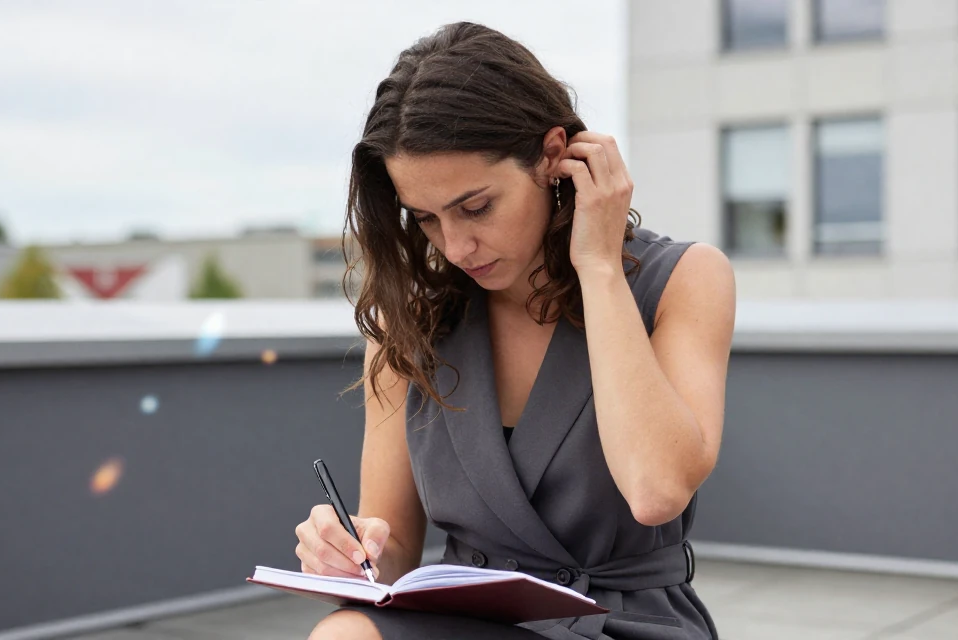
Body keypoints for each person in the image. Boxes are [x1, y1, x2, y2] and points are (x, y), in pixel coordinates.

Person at [295, 21, 735, 640]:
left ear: (553, 155)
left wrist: (599, 268)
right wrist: (347, 554)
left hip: (622, 621)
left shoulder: (684, 278)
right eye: (426, 219)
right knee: (343, 632)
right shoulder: (411, 320)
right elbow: (391, 554)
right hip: (469, 617)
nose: (455, 246)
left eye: (476, 207)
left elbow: (657, 491)